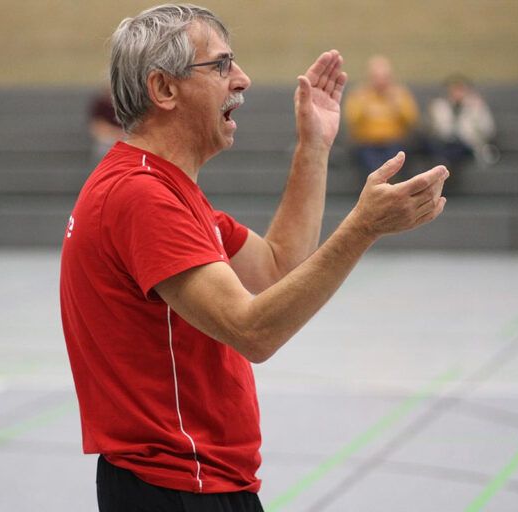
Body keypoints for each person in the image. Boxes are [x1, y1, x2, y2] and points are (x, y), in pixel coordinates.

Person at [60, 5, 448, 511]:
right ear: (164, 90)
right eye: (220, 65)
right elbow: (253, 331)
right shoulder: (141, 197)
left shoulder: (164, 189)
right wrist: (362, 228)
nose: (241, 79)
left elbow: (277, 269)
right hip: (176, 487)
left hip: (193, 482)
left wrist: (313, 145)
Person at [344, 55, 419, 176]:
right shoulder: (359, 94)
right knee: (372, 164)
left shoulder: (400, 94)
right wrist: (365, 104)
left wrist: (396, 104)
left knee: (395, 161)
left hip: (394, 142)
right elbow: (352, 120)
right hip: (366, 143)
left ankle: (390, 190)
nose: (380, 81)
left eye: (384, 77)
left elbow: (411, 121)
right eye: (376, 77)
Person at [426, 75, 498, 168]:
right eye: (453, 90)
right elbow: (434, 130)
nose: (457, 94)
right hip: (445, 144)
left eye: (460, 90)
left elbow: (488, 130)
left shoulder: (476, 107)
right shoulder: (440, 107)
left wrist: (477, 111)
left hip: (468, 145)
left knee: (456, 149)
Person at [88, 86, 126, 161]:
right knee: (104, 146)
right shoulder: (101, 104)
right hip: (109, 138)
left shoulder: (127, 104)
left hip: (126, 136)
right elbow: (97, 126)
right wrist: (115, 134)